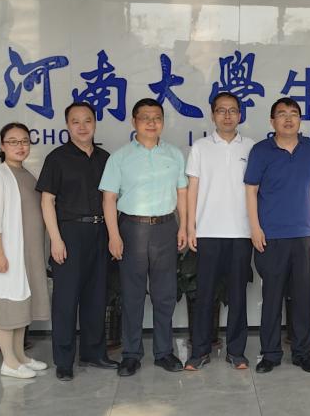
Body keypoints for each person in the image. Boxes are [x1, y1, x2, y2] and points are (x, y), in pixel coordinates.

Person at [101, 98, 188, 377]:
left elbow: (182, 193)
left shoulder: (174, 154)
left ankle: (164, 352)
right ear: (134, 121)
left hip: (165, 227)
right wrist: (113, 235)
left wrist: (184, 227)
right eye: (145, 117)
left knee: (165, 294)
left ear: (163, 122)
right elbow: (109, 199)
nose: (152, 123)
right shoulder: (120, 157)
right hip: (132, 228)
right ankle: (131, 354)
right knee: (132, 294)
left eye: (157, 117)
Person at [245, 97, 310, 374]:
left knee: (304, 297)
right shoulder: (261, 150)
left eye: (293, 114)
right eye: (282, 114)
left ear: (300, 120)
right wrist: (255, 228)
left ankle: (303, 353)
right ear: (272, 121)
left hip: (305, 235)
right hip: (271, 236)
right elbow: (251, 191)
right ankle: (270, 354)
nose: (288, 119)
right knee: (272, 297)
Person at [37, 102, 114, 381]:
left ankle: (94, 353)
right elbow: (47, 201)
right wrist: (55, 239)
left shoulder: (106, 158)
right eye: (75, 121)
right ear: (67, 125)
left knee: (97, 296)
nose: (82, 127)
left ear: (95, 123)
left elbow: (112, 199)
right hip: (69, 233)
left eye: (87, 120)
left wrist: (113, 236)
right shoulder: (57, 158)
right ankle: (64, 360)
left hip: (100, 232)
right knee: (66, 300)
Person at [183, 92, 256, 371]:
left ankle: (236, 351)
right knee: (205, 295)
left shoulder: (251, 147)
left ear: (240, 115)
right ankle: (200, 351)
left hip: (241, 232)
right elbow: (192, 189)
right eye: (222, 110)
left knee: (238, 295)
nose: (227, 115)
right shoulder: (201, 147)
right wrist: (190, 226)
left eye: (233, 110)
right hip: (208, 231)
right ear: (213, 115)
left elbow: (257, 191)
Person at [0, 123, 50, 379]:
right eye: (13, 141)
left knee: (23, 304)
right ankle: (9, 362)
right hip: (10, 252)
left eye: (24, 141)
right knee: (9, 304)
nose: (20, 146)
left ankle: (20, 356)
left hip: (30, 251)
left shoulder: (27, 174)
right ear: (2, 145)